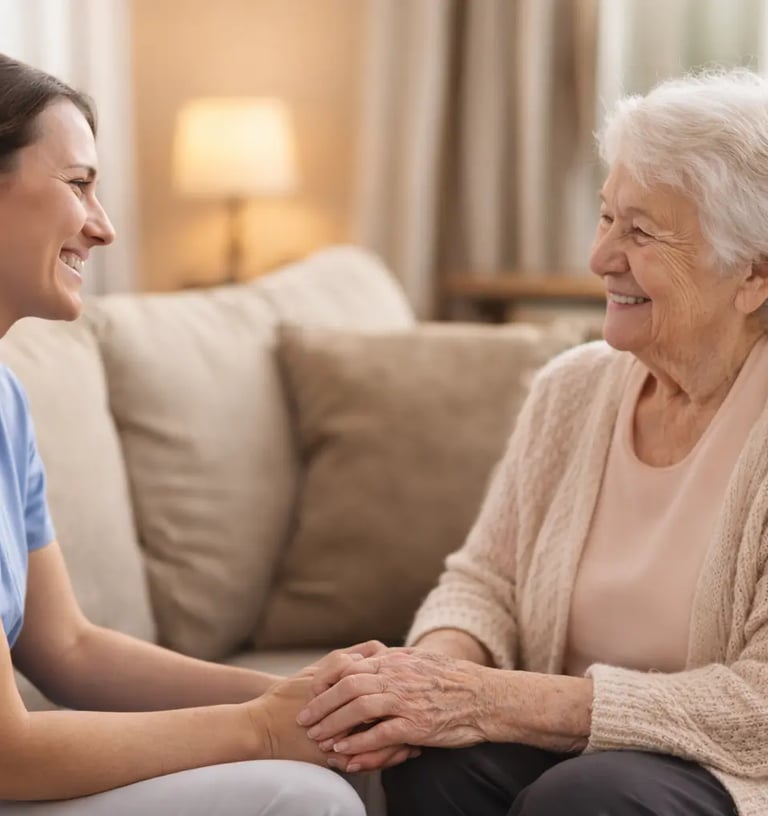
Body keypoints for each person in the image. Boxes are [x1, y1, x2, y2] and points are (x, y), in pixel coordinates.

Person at [297, 69, 768, 816]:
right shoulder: (572, 390)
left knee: (587, 797)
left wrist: (498, 700)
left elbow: (758, 707)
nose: (601, 257)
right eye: (606, 217)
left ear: (752, 275)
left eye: (641, 232)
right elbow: (484, 583)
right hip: (576, 751)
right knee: (433, 764)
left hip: (734, 769)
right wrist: (427, 682)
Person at [0, 52, 420, 815]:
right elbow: (8, 753)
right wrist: (261, 729)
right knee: (303, 798)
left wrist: (306, 696)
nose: (104, 226)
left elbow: (67, 649)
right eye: (79, 184)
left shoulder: (6, 401)